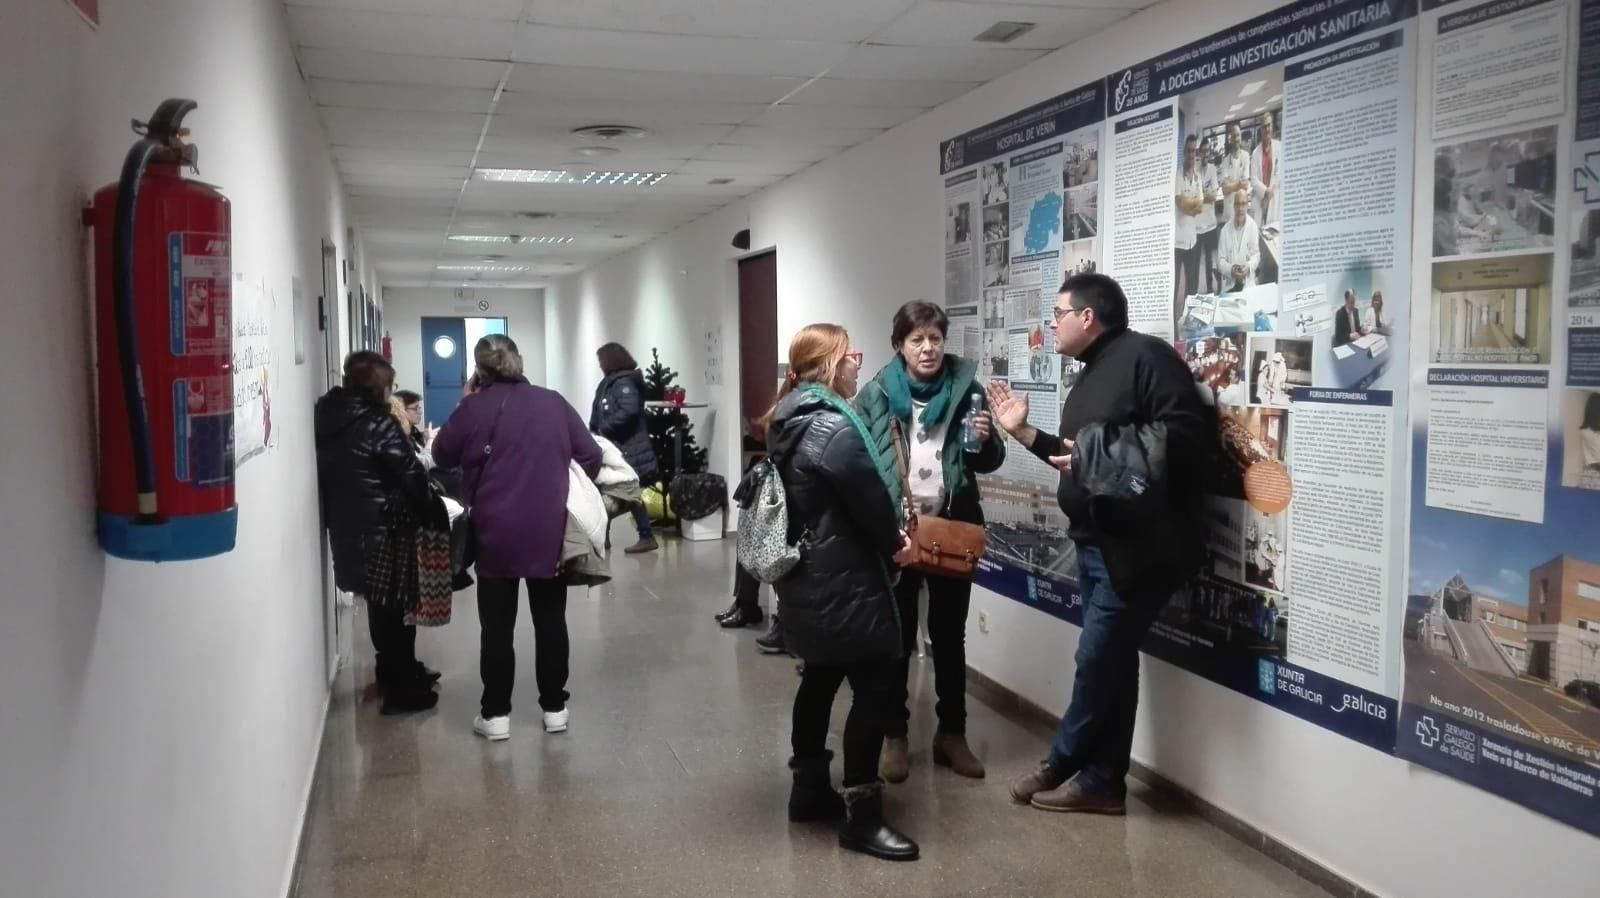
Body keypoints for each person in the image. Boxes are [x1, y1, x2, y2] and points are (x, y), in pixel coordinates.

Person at [987, 273, 1212, 815]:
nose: (1052, 325)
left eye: (1057, 314)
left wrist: (1098, 453)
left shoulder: (1146, 359)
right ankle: (1104, 783)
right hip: (1093, 541)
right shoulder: (1088, 374)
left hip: (1135, 548)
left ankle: (1062, 761)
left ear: (1087, 316)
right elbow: (1080, 462)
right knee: (1113, 663)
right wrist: (1024, 434)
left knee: (1096, 661)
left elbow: (1186, 438)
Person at [767, 324, 920, 861]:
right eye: (851, 354)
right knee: (876, 691)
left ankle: (808, 791)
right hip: (847, 582)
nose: (859, 362)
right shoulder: (833, 428)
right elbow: (871, 505)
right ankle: (862, 815)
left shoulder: (790, 417)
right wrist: (897, 543)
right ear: (832, 364)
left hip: (811, 581)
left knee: (821, 677)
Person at [856, 301, 1005, 783]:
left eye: (935, 339)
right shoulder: (876, 394)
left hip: (951, 530)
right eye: (917, 340)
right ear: (899, 344)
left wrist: (986, 441)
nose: (927, 349)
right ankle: (895, 735)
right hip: (894, 535)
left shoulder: (968, 390)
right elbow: (859, 457)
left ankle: (951, 735)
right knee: (896, 641)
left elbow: (986, 461)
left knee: (949, 638)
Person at [434, 335, 602, 741]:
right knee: (550, 620)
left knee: (496, 627)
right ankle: (555, 709)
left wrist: (467, 402)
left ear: (479, 369)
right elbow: (592, 457)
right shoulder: (553, 402)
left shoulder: (473, 407)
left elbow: (441, 455)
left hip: (494, 533)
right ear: (519, 360)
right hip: (548, 529)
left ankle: (495, 716)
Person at [315, 352, 440, 715]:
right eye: (390, 384)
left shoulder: (329, 416)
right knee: (398, 610)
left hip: (349, 527)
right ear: (378, 385)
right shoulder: (377, 422)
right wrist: (428, 502)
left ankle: (395, 672)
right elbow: (410, 474)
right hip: (386, 527)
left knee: (381, 606)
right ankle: (402, 690)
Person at [590, 342, 660, 555]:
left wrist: (603, 427)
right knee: (624, 492)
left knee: (624, 492)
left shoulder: (623, 383)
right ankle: (613, 537)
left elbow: (628, 411)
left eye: (601, 360)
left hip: (629, 449)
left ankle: (644, 536)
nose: (600, 365)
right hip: (619, 447)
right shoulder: (611, 383)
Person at [1175, 134, 1206, 314]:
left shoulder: (1198, 178)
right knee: (1175, 286)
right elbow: (1181, 204)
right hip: (1177, 243)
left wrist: (1190, 206)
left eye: (1193, 151)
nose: (1191, 154)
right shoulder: (1178, 175)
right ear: (1184, 152)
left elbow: (1200, 207)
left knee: (1192, 284)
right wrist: (1191, 204)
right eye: (1188, 151)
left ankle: (1189, 317)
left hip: (1192, 240)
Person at [1215, 190, 1261, 292]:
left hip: (1248, 283)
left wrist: (1248, 267)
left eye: (1243, 204)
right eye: (1238, 204)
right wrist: (1231, 270)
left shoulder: (1253, 227)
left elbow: (1256, 255)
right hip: (1230, 283)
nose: (1240, 208)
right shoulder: (1225, 231)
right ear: (1234, 206)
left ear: (1247, 205)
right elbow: (1220, 262)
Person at [1250, 113, 1282, 229]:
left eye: (1268, 125)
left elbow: (1279, 176)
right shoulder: (1255, 153)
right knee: (1259, 234)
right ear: (1260, 129)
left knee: (1273, 234)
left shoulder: (1280, 148)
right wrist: (1265, 193)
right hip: (1260, 200)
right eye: (1264, 127)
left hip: (1274, 200)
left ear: (1272, 126)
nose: (1266, 129)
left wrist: (1268, 196)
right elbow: (1253, 179)